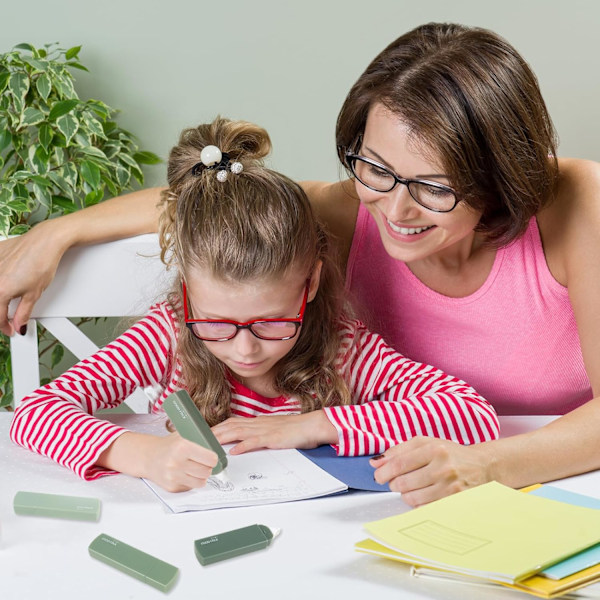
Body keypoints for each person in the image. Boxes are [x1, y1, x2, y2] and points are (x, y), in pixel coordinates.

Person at [2, 22, 599, 505]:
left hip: (562, 482)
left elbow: (470, 418)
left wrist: (482, 465)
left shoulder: (578, 206)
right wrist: (58, 232)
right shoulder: (336, 216)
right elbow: (214, 197)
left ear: (499, 177)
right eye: (375, 168)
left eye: (433, 186)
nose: (394, 210)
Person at [8, 117, 499, 494]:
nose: (245, 350)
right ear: (186, 296)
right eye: (217, 323)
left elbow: (471, 415)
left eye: (271, 322)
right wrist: (141, 454)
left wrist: (304, 427)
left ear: (310, 283)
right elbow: (34, 412)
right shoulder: (170, 333)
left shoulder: (340, 345)